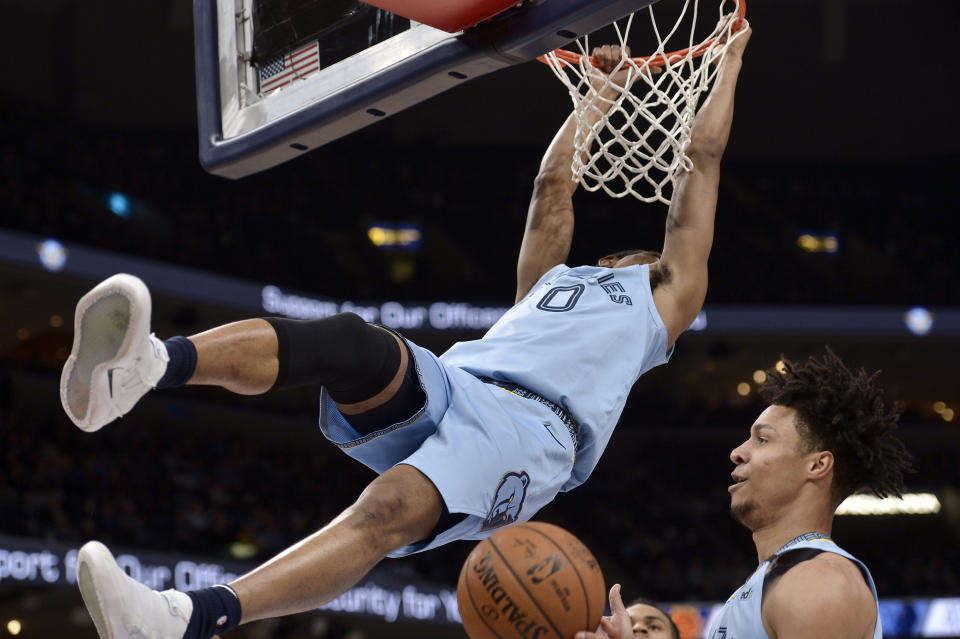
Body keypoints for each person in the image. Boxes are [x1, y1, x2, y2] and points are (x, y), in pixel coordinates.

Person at [59, 26, 751, 639]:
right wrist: (594, 100)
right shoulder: (556, 282)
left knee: (387, 507)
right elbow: (550, 190)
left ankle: (184, 618)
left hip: (535, 434)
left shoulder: (666, 297)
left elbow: (704, 159)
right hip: (460, 379)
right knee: (347, 342)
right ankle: (144, 367)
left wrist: (726, 58)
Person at [576, 349, 912, 639]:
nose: (737, 452)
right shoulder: (775, 580)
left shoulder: (819, 581)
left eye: (762, 439)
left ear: (817, 465)